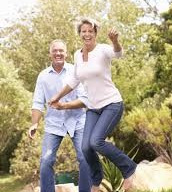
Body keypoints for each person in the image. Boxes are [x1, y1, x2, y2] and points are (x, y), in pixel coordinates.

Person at [49, 18, 137, 192]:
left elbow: (118, 53)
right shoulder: (77, 55)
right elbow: (74, 79)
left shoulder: (103, 49)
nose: (87, 34)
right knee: (85, 147)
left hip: (112, 103)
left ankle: (129, 168)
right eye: (84, 31)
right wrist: (57, 97)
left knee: (96, 142)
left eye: (91, 31)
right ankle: (96, 181)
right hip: (93, 107)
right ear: (80, 34)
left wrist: (115, 41)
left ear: (95, 33)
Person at [28, 39, 91, 192]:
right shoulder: (43, 76)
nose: (58, 53)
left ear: (66, 53)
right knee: (46, 160)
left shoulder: (75, 71)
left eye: (61, 50)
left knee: (84, 158)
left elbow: (85, 100)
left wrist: (64, 106)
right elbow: (37, 102)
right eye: (55, 51)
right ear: (50, 54)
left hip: (77, 121)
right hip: (53, 124)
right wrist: (34, 123)